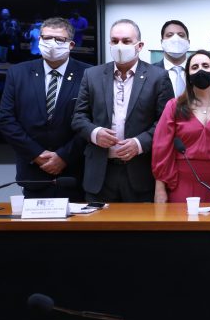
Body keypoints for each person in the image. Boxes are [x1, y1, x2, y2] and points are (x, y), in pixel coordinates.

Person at [72, 18, 174, 202]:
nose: (119, 46)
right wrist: (95, 133)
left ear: (139, 45)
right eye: (114, 41)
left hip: (140, 173)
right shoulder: (92, 75)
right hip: (100, 174)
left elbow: (166, 122)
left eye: (126, 41)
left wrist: (140, 143)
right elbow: (78, 117)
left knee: (139, 230)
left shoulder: (158, 77)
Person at [0, 17, 90, 201]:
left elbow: (93, 120)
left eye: (59, 40)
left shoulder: (89, 73)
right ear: (39, 39)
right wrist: (37, 155)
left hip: (74, 174)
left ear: (71, 45)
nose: (52, 44)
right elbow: (6, 120)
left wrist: (63, 156)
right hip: (33, 173)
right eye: (46, 38)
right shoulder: (18, 73)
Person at [152, 50, 210, 203]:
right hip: (182, 184)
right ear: (188, 77)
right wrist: (160, 189)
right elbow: (161, 149)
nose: (200, 70)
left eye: (205, 65)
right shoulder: (174, 106)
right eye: (194, 67)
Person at [154, 19, 190, 97]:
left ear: (188, 42)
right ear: (162, 42)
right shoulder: (151, 73)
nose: (176, 39)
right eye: (169, 35)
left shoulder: (198, 70)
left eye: (181, 35)